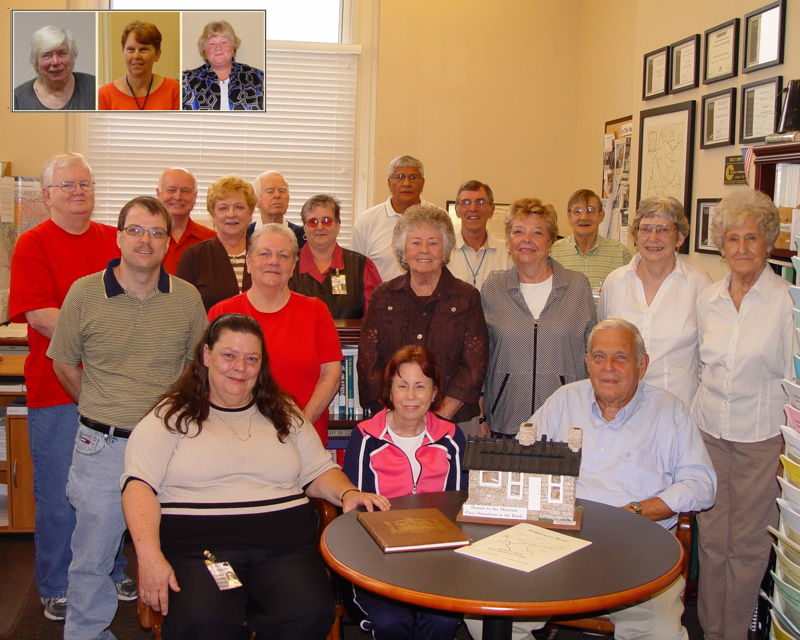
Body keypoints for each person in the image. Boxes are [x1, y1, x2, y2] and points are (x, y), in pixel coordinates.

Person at [122, 313, 389, 640]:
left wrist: (348, 493)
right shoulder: (169, 417)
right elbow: (138, 487)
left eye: (252, 359)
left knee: (308, 612)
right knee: (205, 623)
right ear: (206, 356)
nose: (240, 367)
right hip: (202, 554)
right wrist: (149, 557)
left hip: (282, 551)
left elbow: (319, 471)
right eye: (229, 356)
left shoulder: (284, 412)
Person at [47, 195, 207, 640]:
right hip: (102, 445)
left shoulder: (187, 299)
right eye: (136, 230)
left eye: (156, 232)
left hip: (171, 448)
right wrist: (99, 407)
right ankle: (86, 634)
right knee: (93, 553)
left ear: (166, 243)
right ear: (118, 236)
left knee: (182, 548)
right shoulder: (83, 293)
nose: (146, 240)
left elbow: (197, 369)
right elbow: (63, 363)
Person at [8, 152, 126, 622]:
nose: (79, 192)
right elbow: (39, 314)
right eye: (68, 186)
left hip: (115, 392)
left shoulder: (112, 242)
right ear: (47, 195)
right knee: (59, 495)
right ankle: (56, 584)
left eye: (86, 184)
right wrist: (99, 340)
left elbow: (132, 303)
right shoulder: (32, 244)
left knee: (113, 489)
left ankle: (113, 571)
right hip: (56, 390)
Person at [692, 188, 793, 640]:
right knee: (712, 543)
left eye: (751, 239)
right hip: (710, 433)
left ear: (768, 243)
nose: (741, 249)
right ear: (721, 245)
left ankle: (733, 633)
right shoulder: (708, 298)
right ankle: (711, 630)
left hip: (760, 440)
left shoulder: (787, 302)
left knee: (748, 547)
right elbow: (699, 366)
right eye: (732, 239)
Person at [344, 345, 464, 639]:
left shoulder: (451, 438)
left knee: (443, 621)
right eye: (403, 386)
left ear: (435, 392)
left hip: (437, 557)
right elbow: (357, 515)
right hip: (379, 560)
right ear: (390, 391)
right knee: (389, 622)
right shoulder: (365, 437)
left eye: (421, 386)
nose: (411, 396)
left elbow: (457, 506)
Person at [208, 224, 342, 444]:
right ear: (249, 262)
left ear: (293, 266)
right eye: (264, 254)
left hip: (302, 439)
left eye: (283, 255)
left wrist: (300, 427)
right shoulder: (222, 313)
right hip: (235, 440)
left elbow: (331, 375)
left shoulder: (316, 311)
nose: (273, 261)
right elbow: (210, 379)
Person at [358, 205, 488, 424]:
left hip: (453, 420)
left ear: (445, 251)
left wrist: (438, 418)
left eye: (434, 242)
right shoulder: (384, 295)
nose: (424, 250)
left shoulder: (467, 297)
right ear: (403, 250)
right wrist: (398, 414)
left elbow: (475, 366)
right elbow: (369, 362)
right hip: (392, 420)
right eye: (416, 242)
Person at [480, 197, 595, 438]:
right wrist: (481, 413)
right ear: (508, 242)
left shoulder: (576, 286)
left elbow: (591, 353)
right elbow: (481, 354)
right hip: (506, 418)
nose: (527, 240)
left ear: (551, 240)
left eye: (538, 232)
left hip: (565, 420)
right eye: (518, 231)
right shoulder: (493, 287)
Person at [599, 197, 710, 407]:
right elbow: (604, 344)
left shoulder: (699, 284)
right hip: (622, 405)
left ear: (680, 237)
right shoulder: (615, 282)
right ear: (635, 236)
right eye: (645, 228)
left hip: (678, 407)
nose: (653, 237)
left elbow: (707, 356)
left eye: (663, 229)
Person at [289, 194, 381, 319]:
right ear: (304, 228)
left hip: (349, 339)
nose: (320, 227)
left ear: (338, 225)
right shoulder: (288, 264)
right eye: (312, 222)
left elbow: (377, 318)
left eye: (327, 221)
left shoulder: (362, 266)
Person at [177, 175, 254, 311]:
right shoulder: (194, 256)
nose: (231, 214)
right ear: (212, 215)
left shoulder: (264, 254)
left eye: (239, 207)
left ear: (250, 214)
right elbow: (181, 309)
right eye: (223, 208)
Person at [352, 155, 435, 281]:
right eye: (400, 177)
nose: (406, 183)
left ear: (422, 183)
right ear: (389, 183)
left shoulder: (439, 218)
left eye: (412, 177)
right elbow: (357, 272)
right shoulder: (367, 221)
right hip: (382, 299)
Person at [550, 188, 631, 294]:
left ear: (601, 216)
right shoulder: (554, 252)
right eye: (577, 211)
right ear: (569, 216)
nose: (584, 217)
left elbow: (629, 295)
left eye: (590, 210)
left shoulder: (620, 253)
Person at [182, 20, 264, 110]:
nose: (218, 48)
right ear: (204, 50)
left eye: (224, 42)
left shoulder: (258, 77)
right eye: (212, 43)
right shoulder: (186, 81)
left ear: (233, 47)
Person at [98, 21, 179, 111]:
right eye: (131, 49)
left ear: (157, 54)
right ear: (123, 53)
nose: (136, 56)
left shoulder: (173, 89)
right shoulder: (105, 94)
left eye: (143, 49)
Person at [14, 25, 95, 110]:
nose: (55, 62)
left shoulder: (95, 88)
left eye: (62, 54)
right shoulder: (17, 101)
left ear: (72, 57)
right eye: (47, 55)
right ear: (36, 61)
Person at [448, 179, 509, 289]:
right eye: (466, 202)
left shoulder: (507, 252)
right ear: (457, 210)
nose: (473, 208)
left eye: (480, 202)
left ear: (491, 210)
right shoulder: (444, 251)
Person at [156, 167, 215, 274]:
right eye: (171, 190)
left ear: (195, 196)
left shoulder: (211, 240)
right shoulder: (145, 239)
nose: (178, 197)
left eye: (185, 191)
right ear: (158, 193)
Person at [249, 171, 305, 247]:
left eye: (282, 191)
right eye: (270, 191)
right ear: (257, 200)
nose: (277, 195)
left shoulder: (300, 236)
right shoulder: (245, 235)